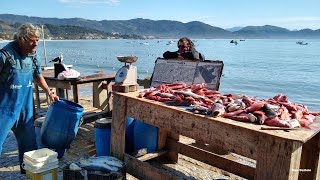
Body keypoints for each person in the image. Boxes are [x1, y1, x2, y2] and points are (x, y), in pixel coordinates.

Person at [0, 23, 59, 174]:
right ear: (21, 39)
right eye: (32, 40)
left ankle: (28, 174)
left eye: (38, 40)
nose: (36, 44)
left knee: (29, 145)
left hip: (25, 110)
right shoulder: (4, 55)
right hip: (4, 110)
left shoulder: (33, 57)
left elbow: (38, 76)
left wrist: (49, 92)